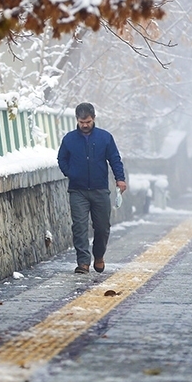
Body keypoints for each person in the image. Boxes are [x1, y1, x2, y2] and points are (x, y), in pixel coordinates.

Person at [57, 102, 127, 274]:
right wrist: (70, 173)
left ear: (94, 118)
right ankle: (83, 262)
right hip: (77, 190)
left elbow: (115, 159)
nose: (85, 125)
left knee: (102, 227)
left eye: (88, 121)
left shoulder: (105, 138)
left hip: (100, 189)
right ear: (77, 120)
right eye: (82, 122)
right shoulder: (69, 139)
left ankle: (99, 256)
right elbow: (62, 159)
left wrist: (120, 179)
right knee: (79, 226)